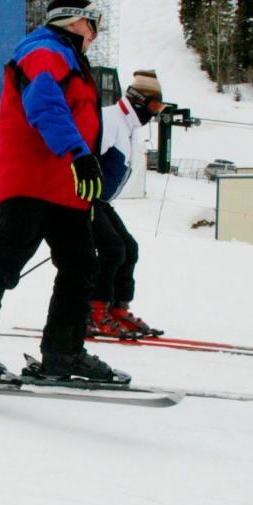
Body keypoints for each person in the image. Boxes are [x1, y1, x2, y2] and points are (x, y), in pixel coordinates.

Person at [0, 0, 128, 384]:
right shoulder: (43, 50)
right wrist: (78, 153)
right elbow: (43, 102)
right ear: (76, 20)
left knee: (80, 267)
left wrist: (90, 166)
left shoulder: (72, 59)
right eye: (95, 23)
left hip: (65, 187)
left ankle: (64, 354)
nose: (96, 33)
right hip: (30, 181)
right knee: (6, 262)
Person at [87, 70, 167, 339]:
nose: (155, 113)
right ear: (139, 101)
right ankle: (94, 311)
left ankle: (117, 308)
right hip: (87, 198)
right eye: (154, 106)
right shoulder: (111, 119)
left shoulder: (130, 126)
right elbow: (87, 156)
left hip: (102, 200)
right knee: (112, 249)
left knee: (129, 248)